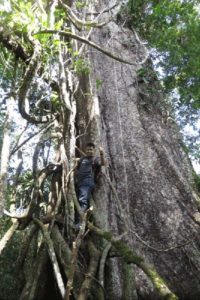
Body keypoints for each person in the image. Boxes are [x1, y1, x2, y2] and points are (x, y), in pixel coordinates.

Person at [75, 142, 105, 214]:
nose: (89, 151)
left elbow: (102, 163)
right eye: (88, 149)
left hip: (88, 181)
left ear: (94, 150)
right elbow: (77, 160)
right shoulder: (83, 158)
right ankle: (78, 218)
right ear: (85, 150)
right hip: (80, 182)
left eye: (91, 149)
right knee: (79, 199)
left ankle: (80, 220)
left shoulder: (95, 159)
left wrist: (101, 153)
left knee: (83, 200)